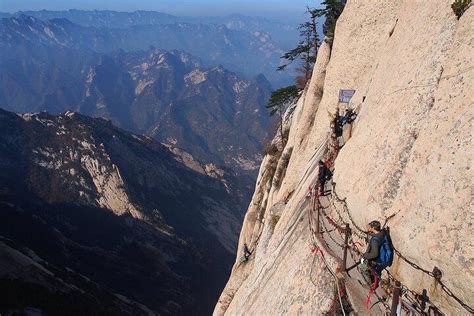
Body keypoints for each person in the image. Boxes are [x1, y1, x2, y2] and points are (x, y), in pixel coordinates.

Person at [360, 220, 385, 285]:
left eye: (371, 227)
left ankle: (369, 284)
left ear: (374, 228)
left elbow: (375, 254)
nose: (370, 228)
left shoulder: (375, 240)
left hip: (377, 259)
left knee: (362, 267)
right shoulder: (382, 233)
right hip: (381, 255)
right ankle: (373, 275)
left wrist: (364, 256)